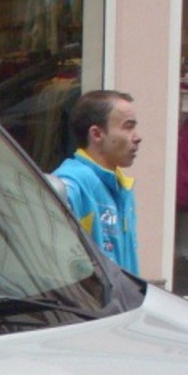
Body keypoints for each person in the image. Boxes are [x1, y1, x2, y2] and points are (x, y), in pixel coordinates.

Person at [51, 90, 141, 274]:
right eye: (128, 127)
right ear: (97, 134)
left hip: (123, 300)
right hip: (91, 302)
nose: (137, 137)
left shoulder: (121, 187)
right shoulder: (72, 182)